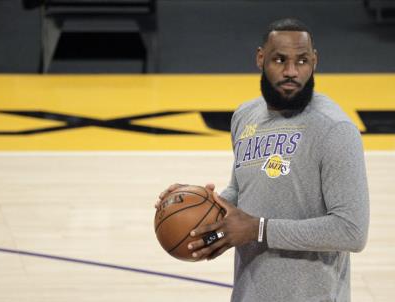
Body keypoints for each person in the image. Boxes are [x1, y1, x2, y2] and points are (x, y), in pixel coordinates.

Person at [157, 18, 369, 302]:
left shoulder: (335, 130)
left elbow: (351, 230)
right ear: (260, 58)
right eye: (280, 60)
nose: (291, 71)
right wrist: (201, 208)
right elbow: (242, 192)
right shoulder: (246, 116)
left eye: (302, 61)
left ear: (315, 61)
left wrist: (258, 229)